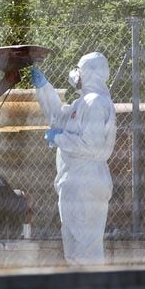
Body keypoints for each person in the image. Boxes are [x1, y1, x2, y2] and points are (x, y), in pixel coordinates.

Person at [30, 52, 116, 266]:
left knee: (85, 251)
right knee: (76, 249)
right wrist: (43, 88)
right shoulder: (83, 102)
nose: (75, 73)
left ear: (89, 73)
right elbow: (58, 118)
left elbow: (92, 146)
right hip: (77, 183)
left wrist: (59, 138)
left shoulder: (95, 103)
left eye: (79, 68)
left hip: (85, 183)